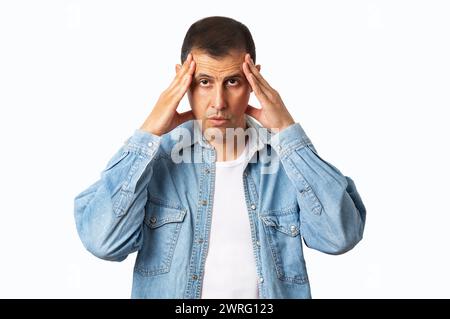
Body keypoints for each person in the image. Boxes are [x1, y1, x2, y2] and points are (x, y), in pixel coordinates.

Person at [74, 16, 366, 299]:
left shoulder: (287, 164)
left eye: (233, 82)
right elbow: (103, 242)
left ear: (253, 80)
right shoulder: (154, 161)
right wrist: (149, 132)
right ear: (182, 80)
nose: (218, 103)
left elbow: (339, 237)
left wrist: (287, 132)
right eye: (203, 82)